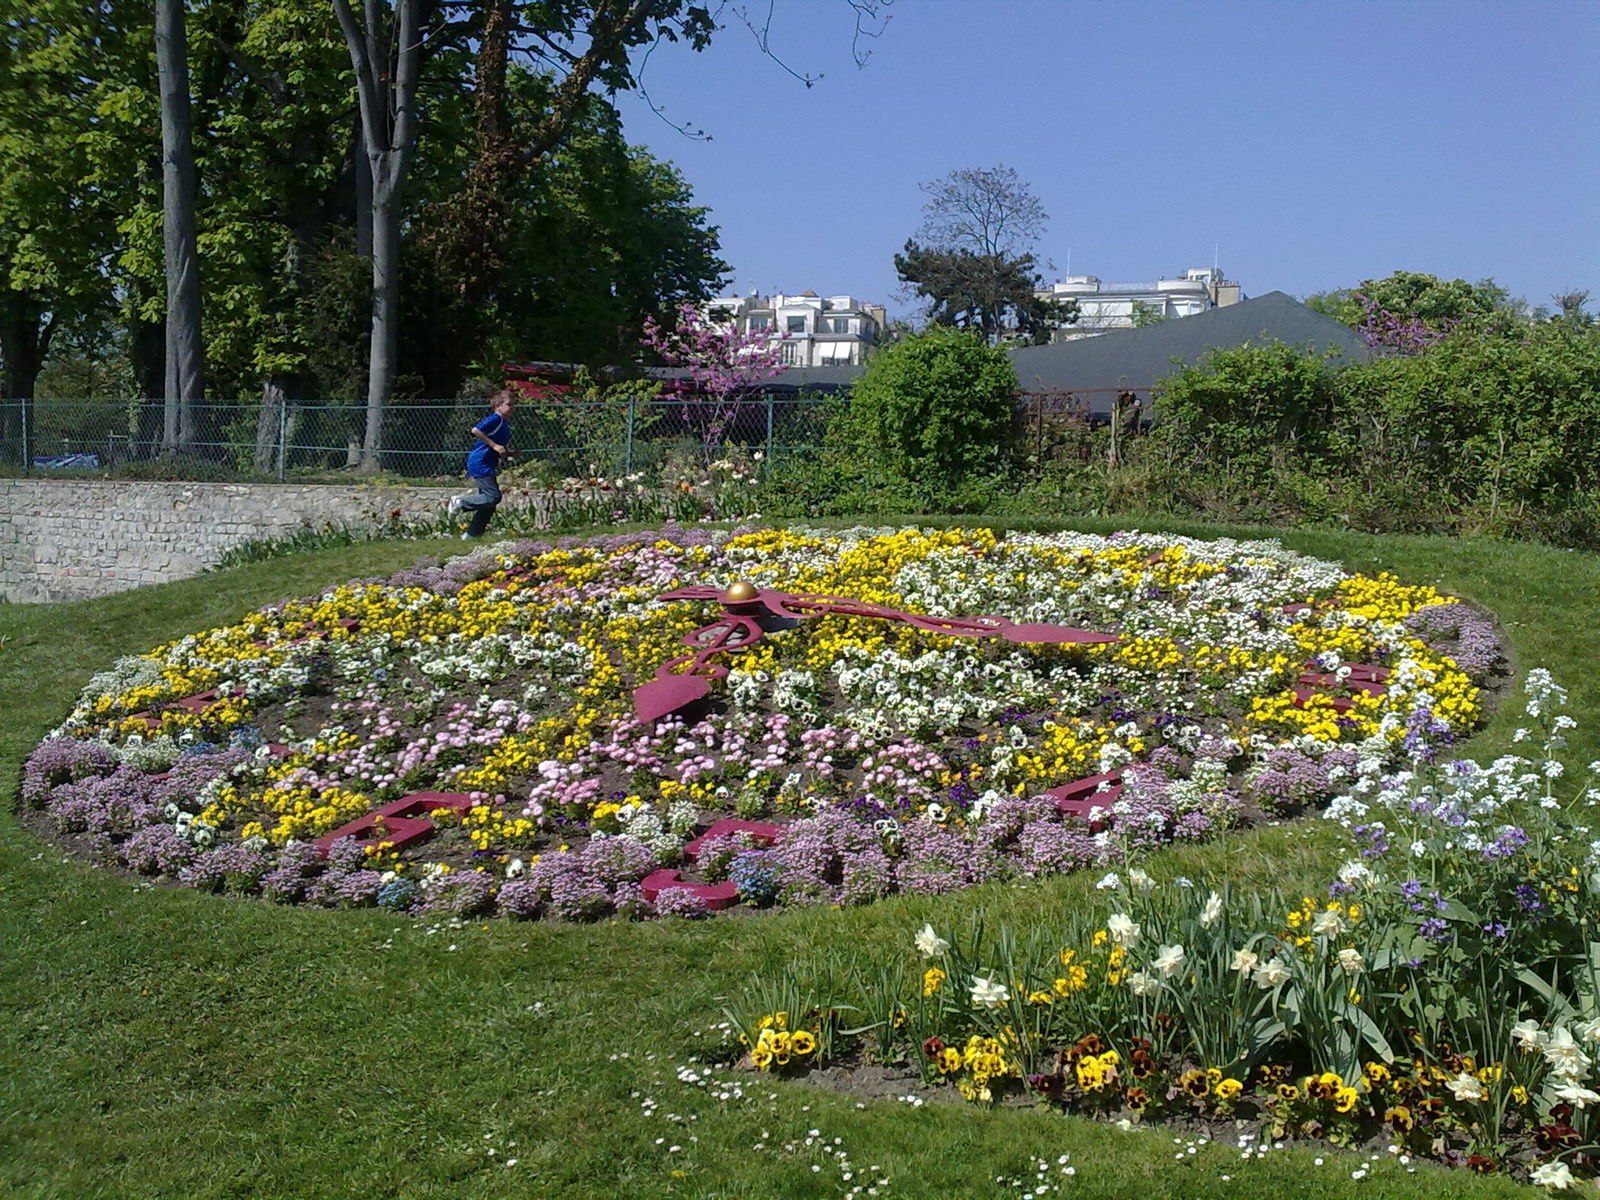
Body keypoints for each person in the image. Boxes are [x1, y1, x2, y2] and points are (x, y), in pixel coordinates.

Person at [448, 390, 516, 539]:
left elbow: (496, 446)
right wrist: (494, 446)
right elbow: (476, 430)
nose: (512, 408)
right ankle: (460, 502)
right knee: (493, 497)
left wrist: (508, 452)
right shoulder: (495, 418)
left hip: (487, 462)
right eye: (509, 404)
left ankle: (472, 535)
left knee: (488, 504)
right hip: (481, 462)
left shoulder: (503, 423)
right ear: (498, 405)